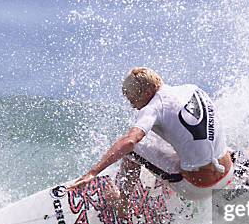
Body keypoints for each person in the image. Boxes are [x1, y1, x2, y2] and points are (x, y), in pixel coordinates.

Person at [68, 67, 236, 212]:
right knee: (187, 136)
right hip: (228, 172)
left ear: (147, 93)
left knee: (131, 150)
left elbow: (130, 142)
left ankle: (122, 205)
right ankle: (243, 169)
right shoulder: (191, 89)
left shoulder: (154, 107)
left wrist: (93, 172)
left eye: (133, 99)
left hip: (199, 188)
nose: (133, 106)